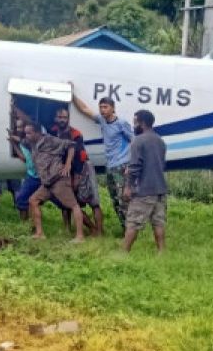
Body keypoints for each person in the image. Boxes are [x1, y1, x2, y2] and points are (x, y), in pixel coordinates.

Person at [73, 93, 134, 226]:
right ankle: (125, 228)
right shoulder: (102, 120)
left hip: (122, 165)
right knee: (114, 199)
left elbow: (134, 141)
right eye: (101, 107)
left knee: (123, 199)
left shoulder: (121, 123)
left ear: (113, 108)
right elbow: (85, 109)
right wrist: (73, 94)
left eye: (105, 107)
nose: (102, 110)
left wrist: (131, 164)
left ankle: (130, 230)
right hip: (110, 166)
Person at [23, 123, 86, 241]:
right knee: (33, 200)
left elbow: (71, 145)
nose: (27, 136)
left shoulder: (49, 140)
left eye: (29, 133)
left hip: (58, 179)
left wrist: (68, 164)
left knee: (73, 205)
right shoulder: (32, 143)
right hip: (47, 182)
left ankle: (80, 236)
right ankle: (39, 233)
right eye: (25, 133)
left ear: (37, 132)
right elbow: (21, 141)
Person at [49, 104, 101, 237]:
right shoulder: (52, 132)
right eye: (59, 117)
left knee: (93, 201)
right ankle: (67, 229)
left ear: (68, 118)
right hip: (64, 170)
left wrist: (77, 176)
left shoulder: (76, 134)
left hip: (82, 167)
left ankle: (98, 231)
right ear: (55, 118)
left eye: (64, 117)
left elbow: (80, 155)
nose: (61, 119)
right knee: (66, 200)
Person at [122, 110, 168, 253]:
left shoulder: (138, 140)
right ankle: (161, 252)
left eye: (135, 122)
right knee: (158, 222)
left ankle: (123, 253)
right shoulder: (160, 141)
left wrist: (128, 186)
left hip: (144, 190)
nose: (134, 125)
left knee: (133, 222)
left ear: (142, 123)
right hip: (160, 189)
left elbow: (135, 166)